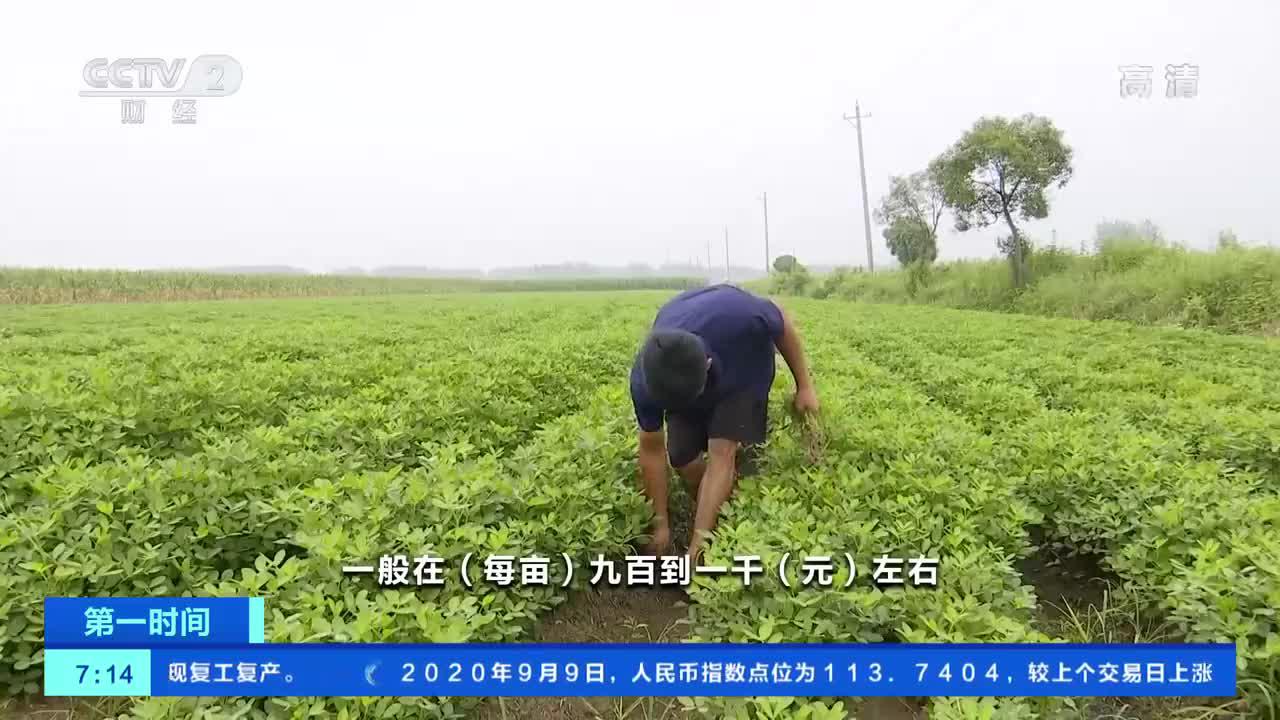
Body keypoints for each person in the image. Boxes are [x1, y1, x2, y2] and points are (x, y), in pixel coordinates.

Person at [629, 283, 819, 565]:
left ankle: (708, 539)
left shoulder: (743, 318)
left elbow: (781, 322)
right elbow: (652, 450)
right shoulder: (647, 379)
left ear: (706, 366)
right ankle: (723, 503)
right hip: (691, 366)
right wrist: (660, 524)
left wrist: (804, 385)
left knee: (722, 450)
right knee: (681, 458)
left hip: (742, 369)